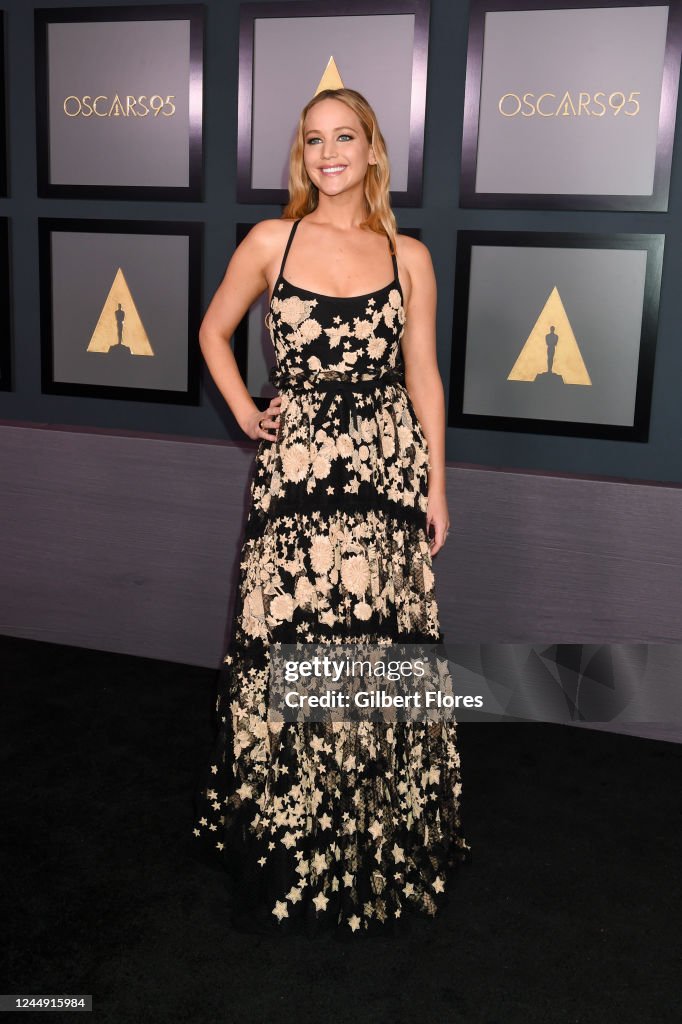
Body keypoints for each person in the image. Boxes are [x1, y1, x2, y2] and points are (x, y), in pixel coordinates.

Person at [192, 87, 471, 936]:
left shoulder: (408, 254)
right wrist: (246, 410)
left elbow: (423, 377)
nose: (330, 153)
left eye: (345, 137)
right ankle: (293, 828)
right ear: (302, 156)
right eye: (314, 141)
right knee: (294, 640)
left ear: (374, 150)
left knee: (376, 640)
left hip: (385, 469)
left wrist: (437, 484)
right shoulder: (272, 240)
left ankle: (372, 822)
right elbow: (212, 330)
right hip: (299, 470)